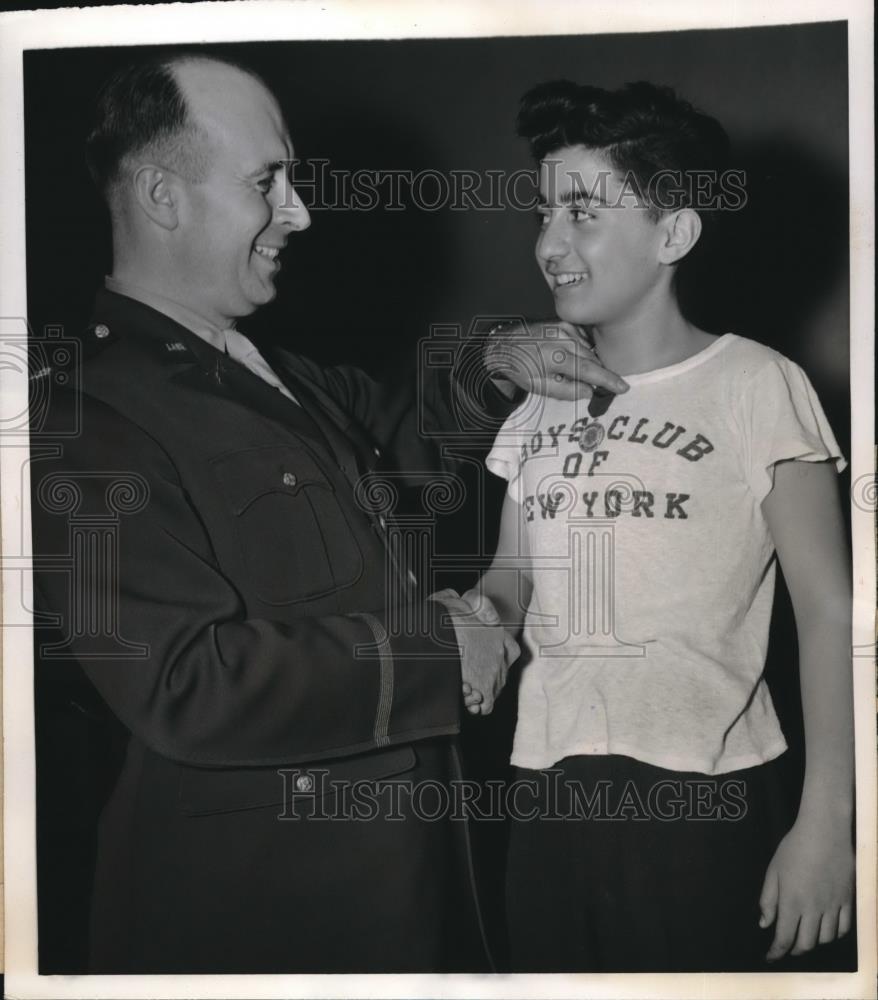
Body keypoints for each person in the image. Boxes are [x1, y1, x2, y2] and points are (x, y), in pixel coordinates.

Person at [28, 53, 626, 974]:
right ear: (162, 195)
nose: (300, 212)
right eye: (268, 182)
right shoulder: (82, 417)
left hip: (413, 891)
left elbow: (413, 434)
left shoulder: (289, 376)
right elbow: (189, 682)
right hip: (265, 922)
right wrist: (442, 645)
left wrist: (502, 355)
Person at [463, 80, 854, 972]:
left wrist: (828, 827)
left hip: (705, 800)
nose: (551, 243)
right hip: (546, 795)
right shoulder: (535, 407)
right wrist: (476, 619)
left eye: (584, 214)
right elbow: (509, 579)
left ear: (674, 233)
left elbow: (832, 611)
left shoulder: (756, 384)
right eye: (543, 214)